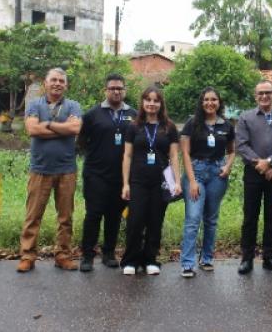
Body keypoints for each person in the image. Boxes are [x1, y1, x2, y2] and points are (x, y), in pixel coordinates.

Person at [17, 68, 82, 273]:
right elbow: (32, 129)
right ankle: (27, 256)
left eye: (61, 81)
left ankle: (63, 255)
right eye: (53, 80)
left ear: (66, 85)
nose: (57, 84)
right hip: (40, 169)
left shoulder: (73, 105)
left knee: (65, 217)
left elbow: (75, 129)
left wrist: (47, 125)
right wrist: (62, 129)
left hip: (67, 169)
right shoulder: (34, 104)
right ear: (46, 83)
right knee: (33, 215)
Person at [78, 74, 137, 272]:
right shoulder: (92, 114)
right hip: (96, 174)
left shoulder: (134, 115)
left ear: (124, 90)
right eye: (112, 88)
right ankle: (87, 255)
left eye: (120, 88)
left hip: (121, 176)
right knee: (93, 214)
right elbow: (82, 141)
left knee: (114, 215)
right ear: (105, 90)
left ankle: (109, 253)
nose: (116, 91)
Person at [235, 80, 272, 275]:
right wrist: (261, 165)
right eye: (260, 93)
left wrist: (269, 162)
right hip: (253, 173)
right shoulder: (245, 117)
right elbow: (241, 145)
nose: (264, 96)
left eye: (268, 92)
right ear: (255, 96)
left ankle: (270, 258)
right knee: (250, 216)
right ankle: (247, 258)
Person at [120, 87, 182, 275]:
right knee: (135, 221)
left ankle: (150, 259)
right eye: (148, 100)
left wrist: (177, 182)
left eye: (156, 100)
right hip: (138, 181)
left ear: (161, 104)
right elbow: (127, 156)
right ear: (142, 102)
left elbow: (174, 156)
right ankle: (131, 260)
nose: (152, 104)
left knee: (155, 221)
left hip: (160, 182)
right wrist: (125, 183)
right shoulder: (134, 127)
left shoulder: (169, 127)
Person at [179, 87, 236, 278]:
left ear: (219, 102)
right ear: (201, 102)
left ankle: (207, 258)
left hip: (217, 174)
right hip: (196, 171)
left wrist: (228, 167)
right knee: (193, 218)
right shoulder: (192, 123)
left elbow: (232, 151)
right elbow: (185, 153)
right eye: (206, 99)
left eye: (213, 99)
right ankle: (187, 263)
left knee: (211, 219)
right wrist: (192, 181)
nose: (210, 103)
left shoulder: (226, 125)